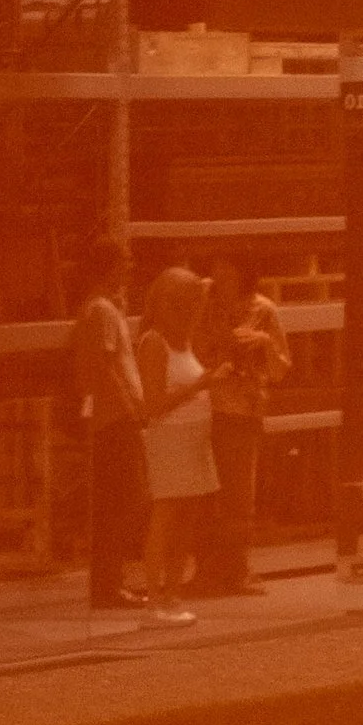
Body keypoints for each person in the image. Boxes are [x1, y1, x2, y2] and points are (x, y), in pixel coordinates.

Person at [193, 251, 290, 597]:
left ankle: (235, 570)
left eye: (225, 268)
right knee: (203, 495)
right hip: (202, 405)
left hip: (241, 410)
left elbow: (280, 368)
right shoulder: (203, 301)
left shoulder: (263, 311)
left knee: (237, 497)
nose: (217, 275)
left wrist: (264, 342)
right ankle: (206, 570)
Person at [134, 265, 218, 628]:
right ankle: (155, 600)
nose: (199, 312)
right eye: (193, 304)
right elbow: (152, 405)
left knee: (185, 520)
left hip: (193, 439)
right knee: (165, 517)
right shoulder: (155, 342)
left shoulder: (185, 342)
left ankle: (172, 594)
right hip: (169, 439)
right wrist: (200, 387)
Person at [71, 239, 148, 611]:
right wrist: (130, 405)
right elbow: (105, 364)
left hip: (110, 419)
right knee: (125, 501)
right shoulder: (102, 310)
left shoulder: (97, 308)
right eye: (125, 263)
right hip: (117, 420)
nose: (130, 269)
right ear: (110, 267)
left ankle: (108, 583)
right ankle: (109, 584)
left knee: (116, 503)